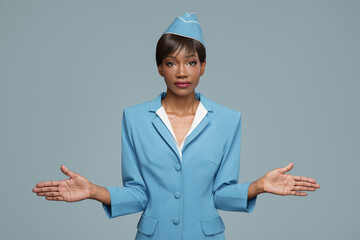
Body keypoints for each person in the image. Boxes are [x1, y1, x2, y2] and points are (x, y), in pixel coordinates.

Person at [32, 12, 320, 240]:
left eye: (191, 62)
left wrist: (258, 187)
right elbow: (138, 194)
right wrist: (93, 191)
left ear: (203, 66)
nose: (182, 72)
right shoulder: (134, 118)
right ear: (160, 67)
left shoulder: (228, 120)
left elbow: (220, 193)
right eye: (171, 63)